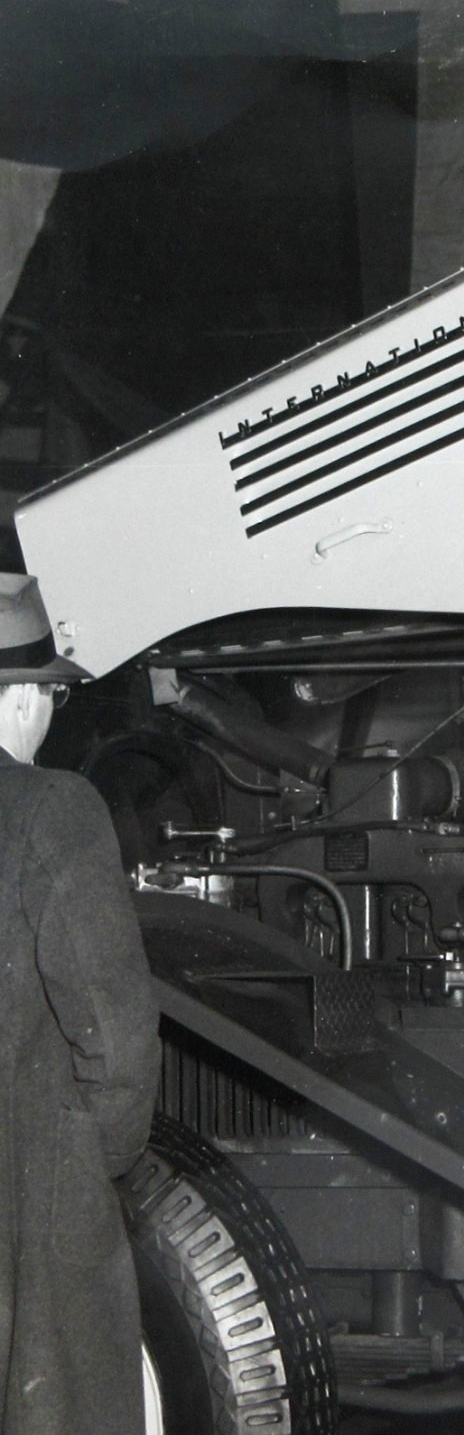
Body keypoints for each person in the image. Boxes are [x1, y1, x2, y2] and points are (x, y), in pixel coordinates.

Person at [0, 573, 159, 1435]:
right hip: (28, 1203)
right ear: (27, 697)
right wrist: (81, 1162)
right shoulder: (51, 809)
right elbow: (117, 1037)